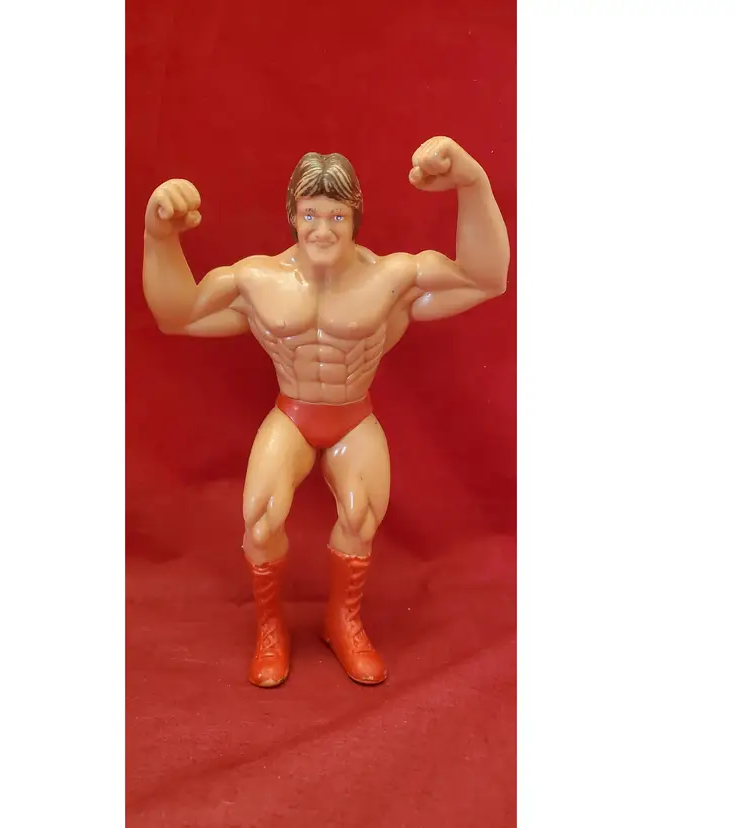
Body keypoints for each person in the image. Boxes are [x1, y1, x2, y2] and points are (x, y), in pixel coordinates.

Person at [142, 136, 510, 687]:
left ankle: (343, 621)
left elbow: (486, 278)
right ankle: (271, 627)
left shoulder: (391, 279)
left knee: (360, 516)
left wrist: (472, 183)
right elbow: (177, 314)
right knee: (261, 518)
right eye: (310, 214)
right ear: (293, 216)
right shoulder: (256, 280)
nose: (321, 229)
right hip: (292, 413)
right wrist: (160, 236)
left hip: (353, 416)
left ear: (355, 218)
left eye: (336, 216)